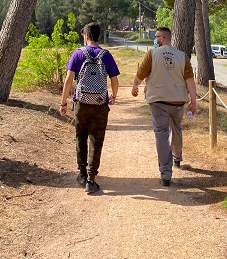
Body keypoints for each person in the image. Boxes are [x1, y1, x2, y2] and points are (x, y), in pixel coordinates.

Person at [131, 26, 196, 187]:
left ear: (163, 38)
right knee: (176, 129)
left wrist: (135, 86)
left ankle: (165, 174)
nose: (155, 38)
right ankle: (177, 157)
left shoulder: (152, 54)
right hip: (178, 101)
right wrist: (193, 101)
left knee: (161, 133)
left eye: (156, 36)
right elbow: (190, 81)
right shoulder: (182, 56)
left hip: (158, 100)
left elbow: (141, 74)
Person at [59, 22, 120, 194]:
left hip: (81, 104)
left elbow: (69, 80)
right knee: (96, 140)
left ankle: (81, 174)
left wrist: (64, 103)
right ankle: (91, 180)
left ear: (86, 35)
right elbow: (114, 80)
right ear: (97, 35)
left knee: (81, 137)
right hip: (100, 104)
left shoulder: (78, 54)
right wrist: (113, 96)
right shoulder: (106, 55)